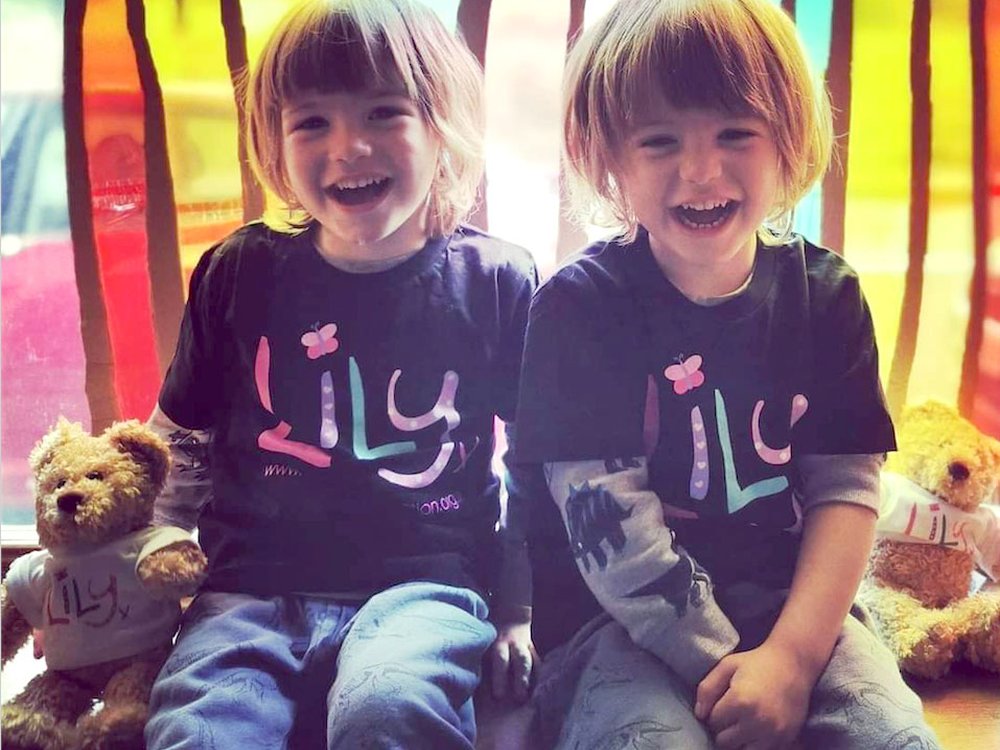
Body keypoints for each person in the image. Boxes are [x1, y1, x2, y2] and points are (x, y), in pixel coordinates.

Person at [513, 1, 942, 748]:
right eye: (659, 140)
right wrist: (741, 672)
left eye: (735, 133)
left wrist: (793, 659)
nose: (701, 170)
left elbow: (846, 492)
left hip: (800, 613)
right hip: (612, 628)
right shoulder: (578, 310)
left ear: (788, 140)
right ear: (610, 157)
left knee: (890, 736)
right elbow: (611, 527)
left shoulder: (829, 296)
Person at [143, 1, 537, 748]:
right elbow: (182, 441)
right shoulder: (239, 272)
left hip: (426, 588)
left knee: (385, 708)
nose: (348, 147)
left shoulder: (498, 282)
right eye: (312, 122)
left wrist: (519, 608)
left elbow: (533, 465)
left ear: (442, 123)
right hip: (246, 591)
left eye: (384, 113)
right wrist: (149, 565)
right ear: (275, 142)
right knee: (200, 729)